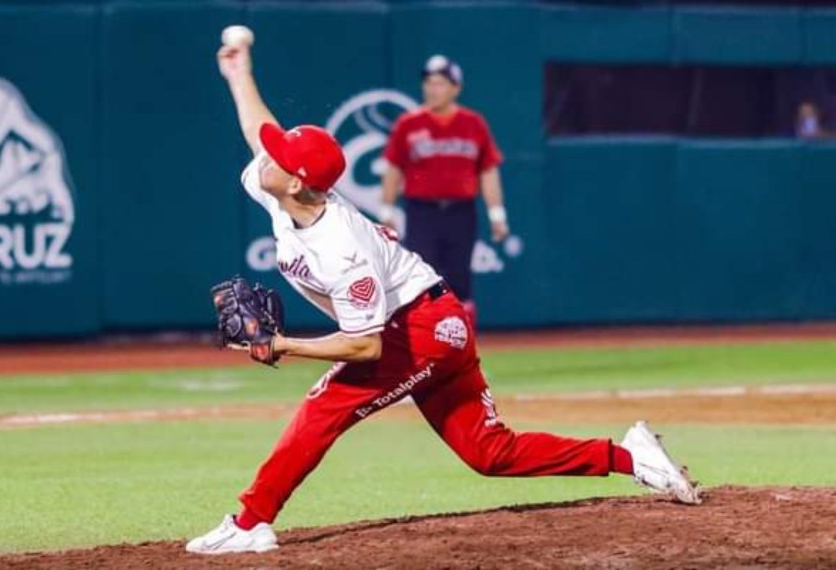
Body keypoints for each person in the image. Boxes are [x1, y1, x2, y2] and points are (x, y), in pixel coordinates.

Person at [186, 39, 700, 556]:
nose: (266, 156)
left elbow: (365, 347)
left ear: (298, 182)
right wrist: (239, 74)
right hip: (433, 318)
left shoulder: (341, 249)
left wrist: (282, 345)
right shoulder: (284, 193)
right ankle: (630, 457)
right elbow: (260, 130)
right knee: (489, 452)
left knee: (323, 409)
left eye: (278, 156)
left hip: (418, 329)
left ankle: (251, 522)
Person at [380, 55, 508, 328]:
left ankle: (463, 339)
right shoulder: (409, 123)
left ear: (455, 88)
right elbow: (393, 169)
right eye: (429, 83)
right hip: (422, 211)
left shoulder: (473, 123)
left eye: (440, 83)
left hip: (461, 211)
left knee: (460, 280)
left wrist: (497, 215)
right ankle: (422, 338)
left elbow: (488, 171)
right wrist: (386, 210)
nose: (433, 89)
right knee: (421, 278)